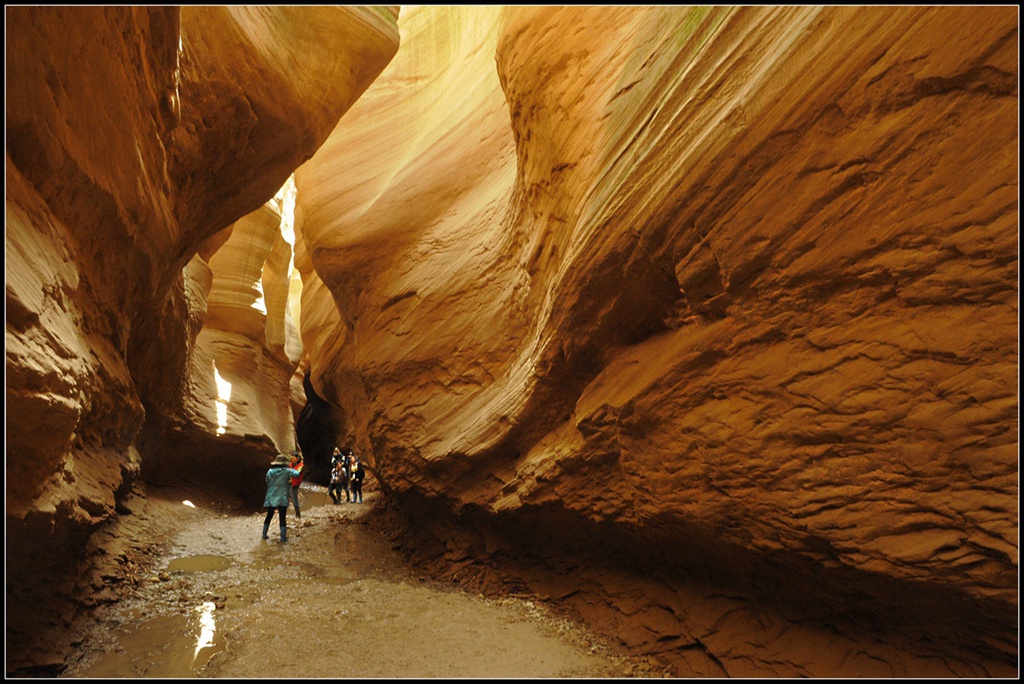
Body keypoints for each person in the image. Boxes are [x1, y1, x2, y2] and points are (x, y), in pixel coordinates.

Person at [263, 453, 302, 542]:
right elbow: (297, 474)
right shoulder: (287, 471)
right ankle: (283, 537)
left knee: (269, 515)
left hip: (271, 496)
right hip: (282, 497)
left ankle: (264, 534)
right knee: (282, 516)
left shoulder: (270, 471)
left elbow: (267, 481)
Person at [288, 451, 304, 518]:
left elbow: (297, 473)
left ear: (297, 458)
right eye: (291, 458)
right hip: (290, 482)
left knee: (294, 498)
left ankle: (298, 514)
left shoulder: (301, 465)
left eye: (293, 458)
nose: (292, 459)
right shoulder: (291, 464)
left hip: (295, 483)